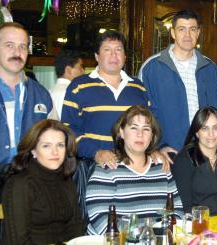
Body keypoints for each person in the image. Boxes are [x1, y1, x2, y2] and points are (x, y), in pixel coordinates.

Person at [0, 22, 56, 245]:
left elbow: (57, 136)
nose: (17, 52)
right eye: (9, 45)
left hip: (28, 172)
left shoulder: (41, 95)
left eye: (23, 47)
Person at [61, 31, 150, 220]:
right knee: (97, 222)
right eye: (107, 50)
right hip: (93, 169)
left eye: (118, 50)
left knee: (130, 221)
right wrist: (96, 152)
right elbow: (68, 130)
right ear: (96, 56)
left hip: (131, 170)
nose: (113, 55)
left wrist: (153, 151)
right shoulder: (78, 86)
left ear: (125, 57)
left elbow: (148, 126)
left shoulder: (138, 88)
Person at [139, 10, 217, 160]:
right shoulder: (152, 67)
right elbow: (142, 113)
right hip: (167, 153)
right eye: (181, 29)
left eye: (192, 29)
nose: (187, 35)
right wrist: (155, 148)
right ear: (173, 32)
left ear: (198, 33)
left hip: (206, 151)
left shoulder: (210, 68)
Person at [86, 106, 183, 235]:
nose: (140, 134)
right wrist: (143, 236)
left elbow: (178, 212)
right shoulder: (107, 168)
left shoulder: (162, 169)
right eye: (134, 128)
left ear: (152, 136)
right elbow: (101, 221)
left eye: (146, 129)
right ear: (121, 132)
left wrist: (155, 236)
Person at [2, 119, 84, 244]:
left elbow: (76, 227)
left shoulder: (66, 181)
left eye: (60, 145)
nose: (55, 152)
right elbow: (17, 241)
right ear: (33, 150)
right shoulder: (20, 184)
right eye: (46, 146)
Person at [172, 107, 217, 215]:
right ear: (197, 133)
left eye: (216, 128)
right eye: (205, 128)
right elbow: (185, 206)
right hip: (198, 224)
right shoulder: (184, 160)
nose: (211, 134)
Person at [51, 49, 85, 119]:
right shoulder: (74, 93)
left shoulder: (47, 92)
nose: (83, 71)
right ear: (68, 70)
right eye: (81, 67)